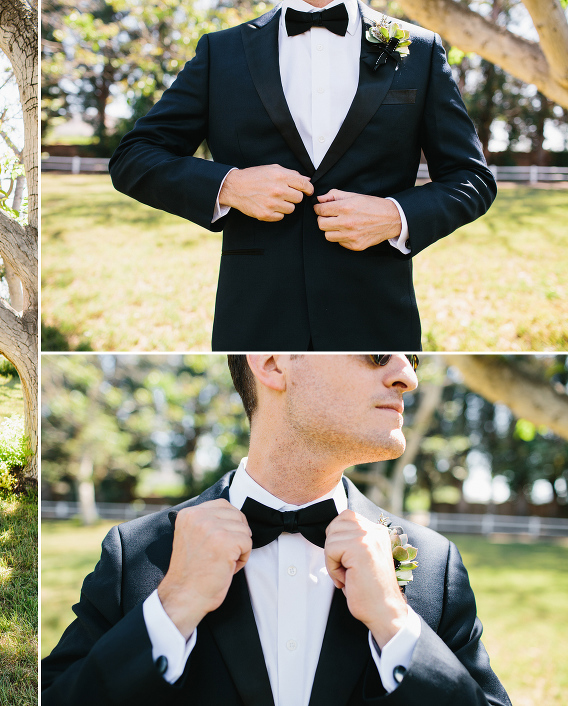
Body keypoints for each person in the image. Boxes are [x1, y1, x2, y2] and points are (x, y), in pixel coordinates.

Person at [41, 354, 510, 705]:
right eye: (376, 352)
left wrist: (397, 626)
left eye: (414, 357)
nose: (407, 375)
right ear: (273, 362)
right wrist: (171, 608)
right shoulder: (137, 553)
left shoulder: (433, 564)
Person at [108, 0, 496, 351]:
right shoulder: (221, 50)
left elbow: (471, 177)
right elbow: (134, 157)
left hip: (374, 314)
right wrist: (229, 186)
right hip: (256, 316)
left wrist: (396, 216)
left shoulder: (420, 50)